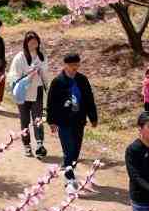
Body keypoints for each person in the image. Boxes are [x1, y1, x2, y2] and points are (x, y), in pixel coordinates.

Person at [46, 52, 98, 191]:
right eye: (72, 65)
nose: (75, 67)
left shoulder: (82, 80)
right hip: (64, 121)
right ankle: (70, 179)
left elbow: (89, 99)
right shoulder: (58, 81)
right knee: (68, 150)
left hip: (79, 120)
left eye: (77, 64)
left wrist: (93, 117)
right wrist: (52, 121)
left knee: (75, 150)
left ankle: (70, 169)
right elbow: (51, 102)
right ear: (65, 65)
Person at [9, 31, 51, 157]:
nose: (33, 44)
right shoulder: (20, 57)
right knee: (24, 120)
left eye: (35, 41)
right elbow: (14, 76)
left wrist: (46, 86)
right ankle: (26, 145)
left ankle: (39, 144)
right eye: (31, 42)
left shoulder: (42, 56)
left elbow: (45, 74)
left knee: (38, 119)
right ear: (26, 43)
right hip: (23, 93)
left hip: (37, 91)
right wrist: (28, 75)